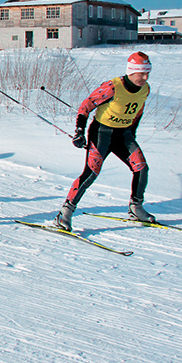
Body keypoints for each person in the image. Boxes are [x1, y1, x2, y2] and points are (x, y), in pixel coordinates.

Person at [55, 52, 155, 230]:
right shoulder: (113, 86)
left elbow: (138, 111)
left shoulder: (145, 89)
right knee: (91, 173)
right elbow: (86, 105)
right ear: (132, 71)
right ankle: (65, 212)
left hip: (124, 135)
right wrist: (79, 131)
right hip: (102, 133)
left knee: (141, 168)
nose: (145, 77)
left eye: (148, 73)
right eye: (142, 73)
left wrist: (133, 132)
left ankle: (136, 207)